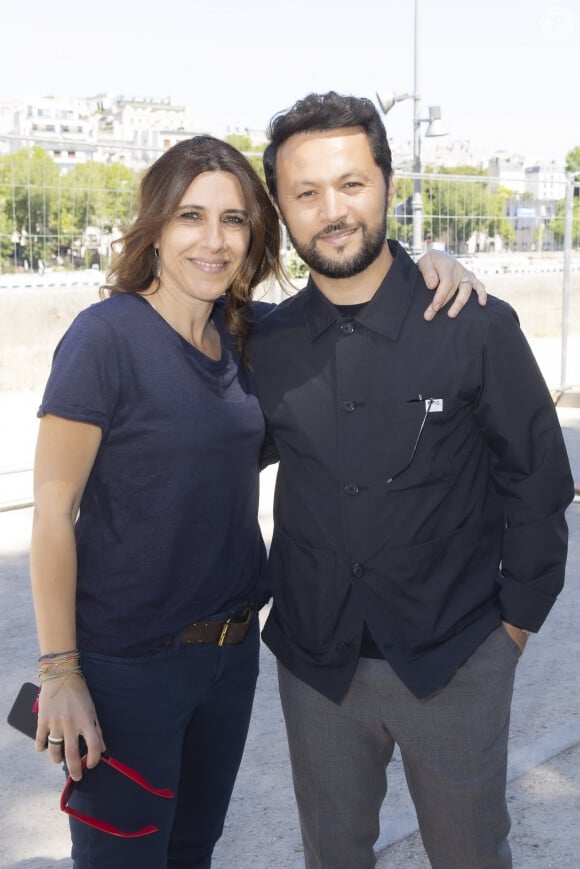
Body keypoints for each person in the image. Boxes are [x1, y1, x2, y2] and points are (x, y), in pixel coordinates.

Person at [29, 132, 481, 869]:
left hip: (230, 657)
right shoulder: (104, 338)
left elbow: (347, 313)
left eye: (234, 219)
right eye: (191, 217)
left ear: (255, 234)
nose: (214, 240)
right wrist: (60, 673)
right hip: (131, 665)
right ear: (156, 226)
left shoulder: (246, 339)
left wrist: (429, 266)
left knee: (192, 852)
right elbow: (52, 513)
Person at [248, 92, 575, 869]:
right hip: (317, 663)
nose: (333, 210)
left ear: (388, 184)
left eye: (352, 184)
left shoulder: (473, 323)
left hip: (458, 653)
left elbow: (537, 478)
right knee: (332, 855)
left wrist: (513, 628)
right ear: (281, 210)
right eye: (307, 192)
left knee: (470, 856)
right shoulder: (263, 344)